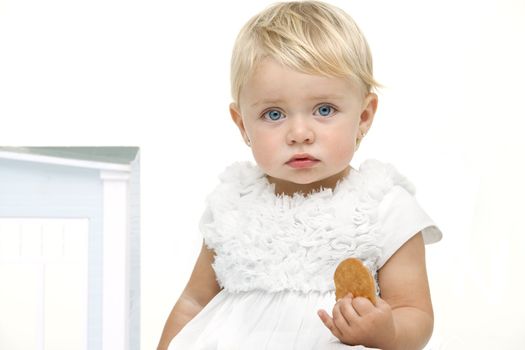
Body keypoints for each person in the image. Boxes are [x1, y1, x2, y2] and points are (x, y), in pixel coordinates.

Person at [158, 1, 442, 349]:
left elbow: (414, 311)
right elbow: (193, 304)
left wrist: (389, 331)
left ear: (364, 116)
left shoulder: (383, 207)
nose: (299, 133)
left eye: (324, 110)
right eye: (273, 114)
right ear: (242, 124)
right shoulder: (232, 205)